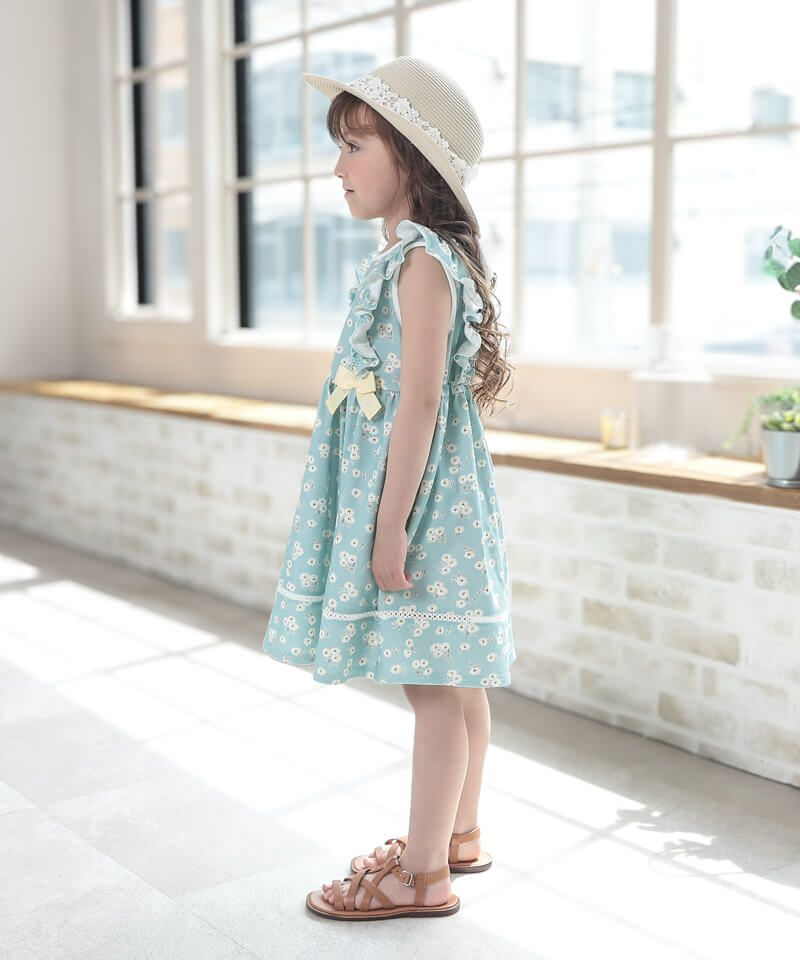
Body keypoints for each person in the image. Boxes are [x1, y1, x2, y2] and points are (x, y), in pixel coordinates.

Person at [262, 55, 516, 920]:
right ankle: (457, 834)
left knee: (431, 685)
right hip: (434, 495)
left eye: (354, 145)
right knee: (457, 675)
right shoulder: (416, 257)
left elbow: (419, 404)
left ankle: (422, 874)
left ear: (409, 155)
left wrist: (389, 523)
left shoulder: (422, 265)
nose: (337, 166)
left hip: (422, 502)